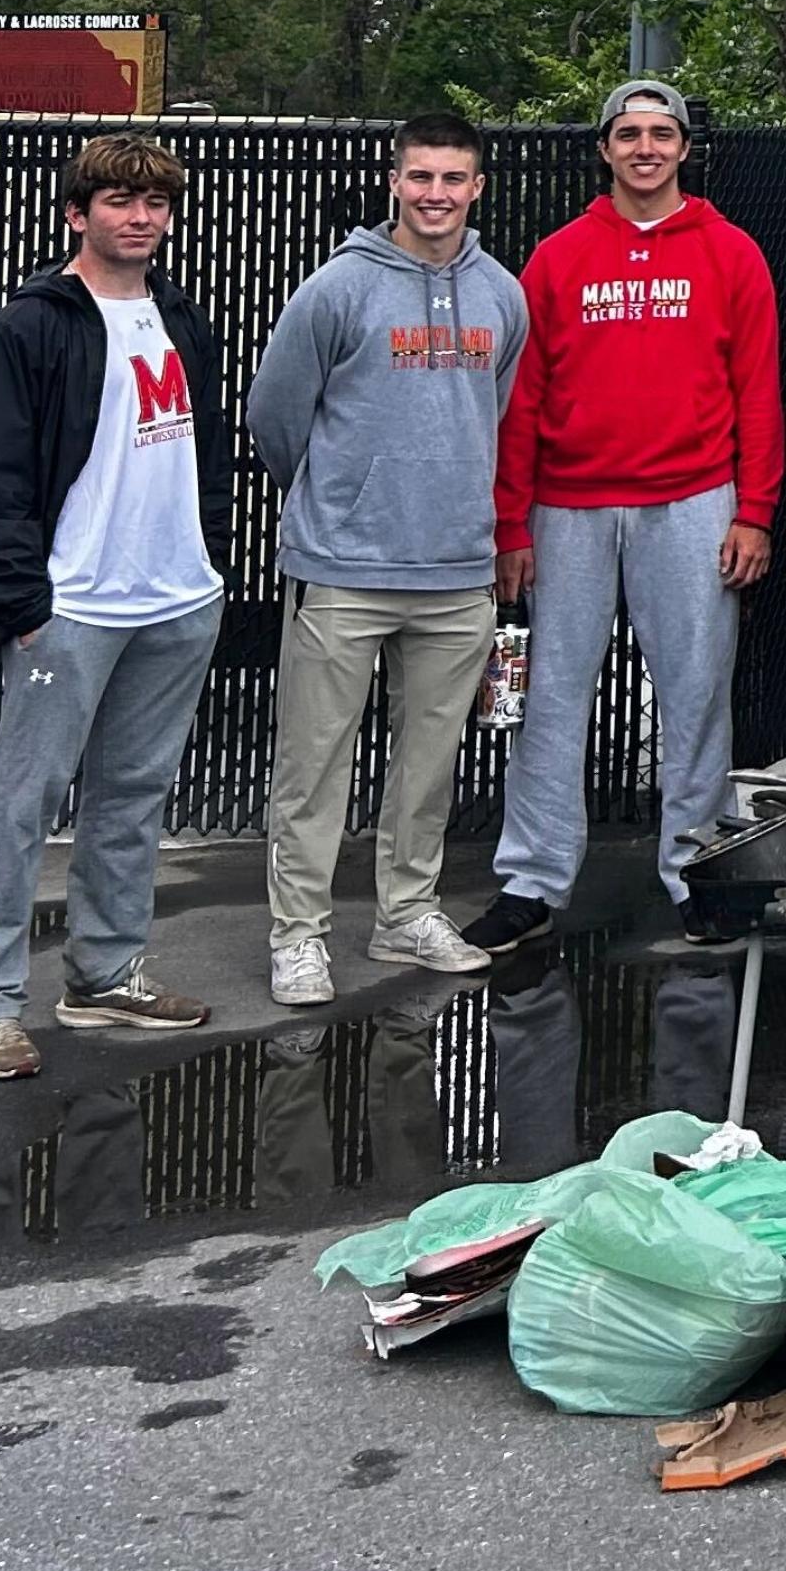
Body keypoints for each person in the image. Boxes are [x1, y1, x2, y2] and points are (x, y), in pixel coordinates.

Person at [466, 81, 784, 954]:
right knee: (548, 699)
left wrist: (754, 511)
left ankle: (698, 870)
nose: (646, 147)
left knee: (696, 693)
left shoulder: (730, 253)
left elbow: (758, 391)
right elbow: (522, 398)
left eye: (662, 133)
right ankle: (531, 881)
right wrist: (511, 526)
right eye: (629, 134)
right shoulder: (558, 258)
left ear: (684, 148)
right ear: (604, 149)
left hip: (692, 498)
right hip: (568, 504)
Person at [0, 134, 232, 1077]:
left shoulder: (181, 316)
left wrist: (209, 554)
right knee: (23, 800)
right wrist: (27, 601)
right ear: (78, 213)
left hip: (176, 599)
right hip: (72, 606)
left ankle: (105, 976)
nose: (138, 217)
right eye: (116, 201)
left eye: (153, 204)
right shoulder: (32, 325)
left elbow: (205, 450)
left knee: (134, 796)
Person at [249, 112, 525, 1009]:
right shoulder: (338, 288)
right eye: (420, 177)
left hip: (455, 573)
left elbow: (494, 406)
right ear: (395, 181)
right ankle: (299, 935)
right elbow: (276, 414)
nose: (435, 195)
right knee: (314, 766)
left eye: (453, 179)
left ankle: (406, 913)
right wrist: (341, 495)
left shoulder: (502, 295)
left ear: (477, 187)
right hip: (344, 568)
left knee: (428, 764)